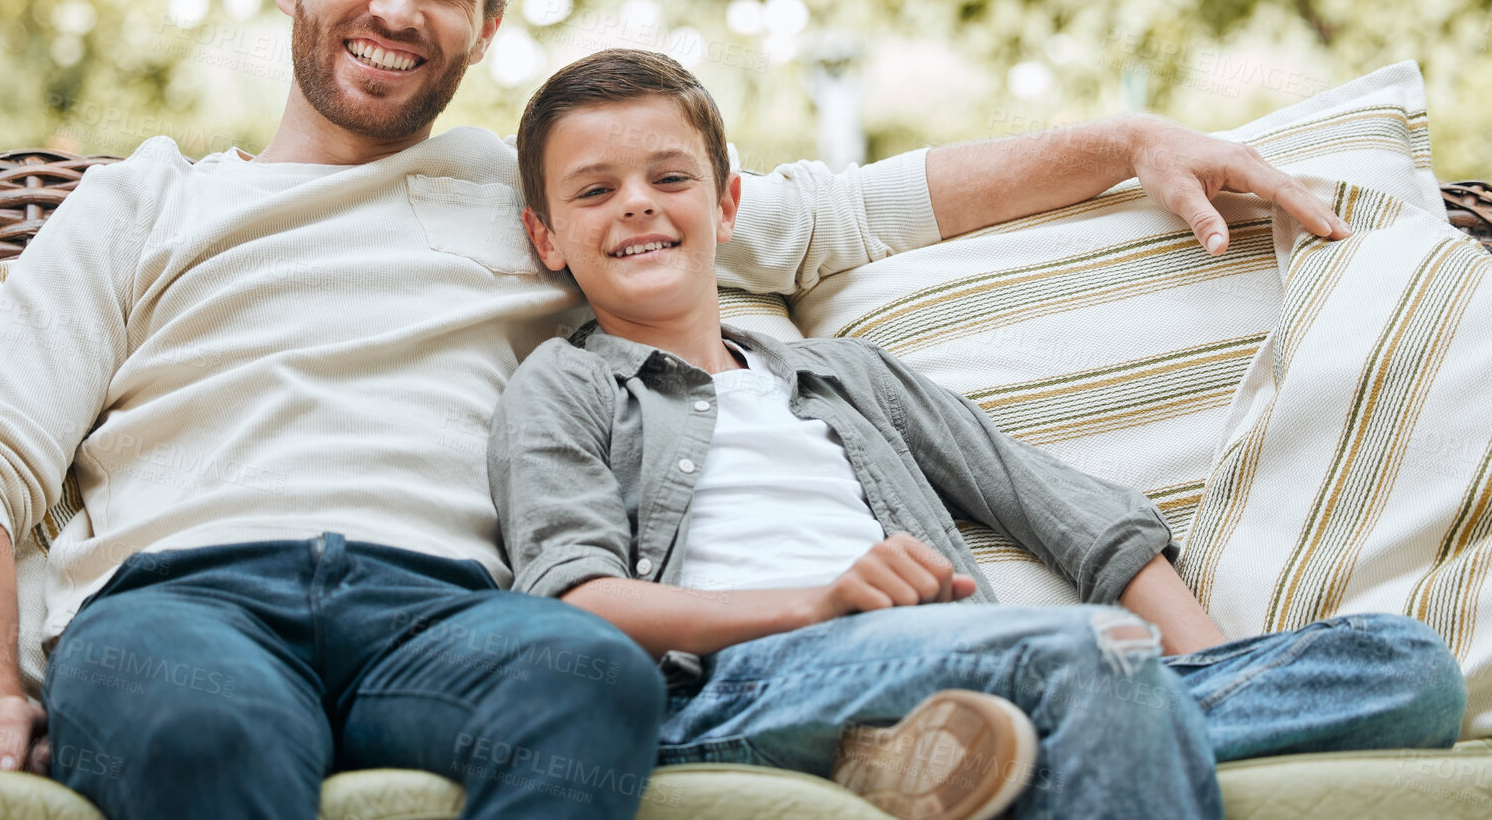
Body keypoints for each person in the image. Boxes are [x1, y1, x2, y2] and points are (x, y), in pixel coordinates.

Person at [0, 0, 1355, 820]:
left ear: (481, 23)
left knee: (585, 673)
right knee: (201, 729)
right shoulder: (147, 202)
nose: (397, 6)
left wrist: (1124, 142)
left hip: (448, 612)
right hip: (187, 594)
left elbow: (848, 212)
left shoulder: (545, 193)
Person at [487, 47, 1468, 820]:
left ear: (724, 204)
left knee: (1406, 669)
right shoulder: (562, 384)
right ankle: (1044, 717)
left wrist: (1195, 671)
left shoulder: (847, 378)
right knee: (1085, 655)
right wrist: (813, 602)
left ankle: (948, 754)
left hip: (959, 655)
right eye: (593, 191)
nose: (637, 207)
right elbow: (578, 600)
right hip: (738, 690)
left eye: (668, 176)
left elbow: (1071, 515)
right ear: (546, 237)